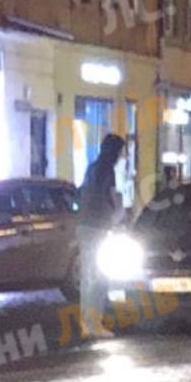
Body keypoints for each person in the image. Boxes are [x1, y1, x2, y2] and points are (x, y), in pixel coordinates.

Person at [76, 134, 125, 338]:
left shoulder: (92, 168)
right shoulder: (107, 170)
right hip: (99, 227)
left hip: (84, 226)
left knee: (88, 276)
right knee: (99, 276)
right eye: (121, 151)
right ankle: (95, 323)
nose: (122, 155)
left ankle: (85, 324)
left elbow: (83, 192)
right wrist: (119, 215)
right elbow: (112, 198)